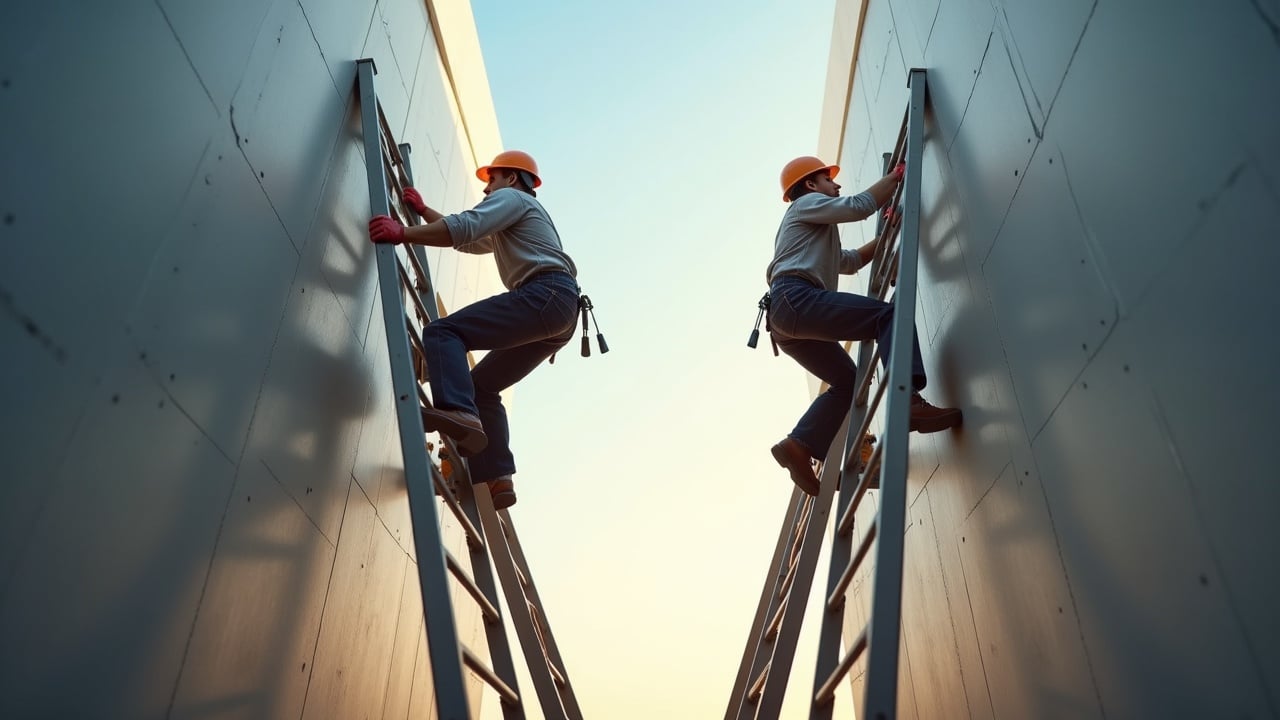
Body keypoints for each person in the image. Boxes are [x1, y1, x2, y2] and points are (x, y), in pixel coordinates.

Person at [367, 150, 579, 510]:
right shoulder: (518, 215)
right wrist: (424, 213)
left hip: (545, 294)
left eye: (491, 180)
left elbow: (464, 227)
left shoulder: (510, 198)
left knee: (442, 333)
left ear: (512, 179)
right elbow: (470, 240)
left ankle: (458, 413)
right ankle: (498, 478)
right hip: (560, 313)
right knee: (482, 387)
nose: (486, 190)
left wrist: (403, 233)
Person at [765, 156, 962, 496]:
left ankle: (799, 445)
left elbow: (852, 261)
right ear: (811, 185)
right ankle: (909, 401)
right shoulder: (805, 205)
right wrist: (897, 175)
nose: (836, 186)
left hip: (786, 318)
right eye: (829, 181)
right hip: (795, 298)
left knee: (848, 380)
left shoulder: (816, 231)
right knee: (887, 316)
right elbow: (859, 206)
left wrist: (887, 233)